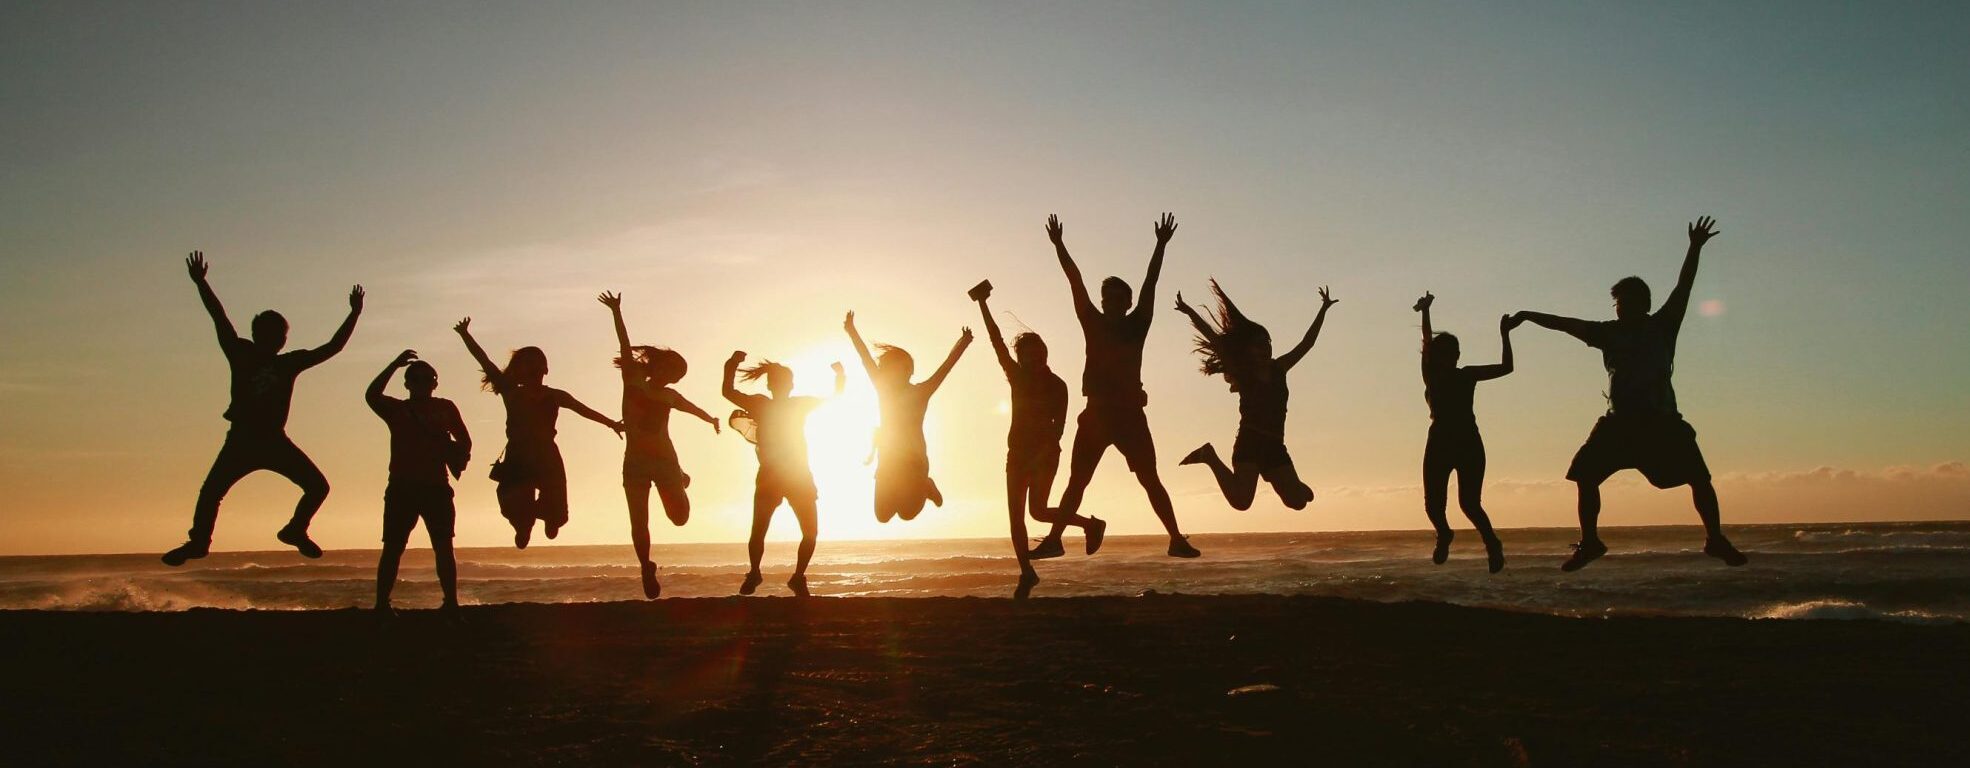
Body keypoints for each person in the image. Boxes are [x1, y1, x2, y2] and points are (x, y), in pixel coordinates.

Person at [1512, 215, 1749, 571]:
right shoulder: (1607, 332)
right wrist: (1529, 315)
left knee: (1699, 478)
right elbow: (1565, 324)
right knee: (1585, 475)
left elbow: (1684, 286)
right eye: (1617, 303)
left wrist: (1694, 247)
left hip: (1661, 422)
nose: (1618, 308)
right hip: (1619, 424)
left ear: (1641, 304)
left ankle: (1715, 539)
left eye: (1622, 302)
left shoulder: (1663, 325)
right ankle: (1591, 542)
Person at [163, 251, 363, 566]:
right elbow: (219, 317)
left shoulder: (289, 362)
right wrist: (201, 283)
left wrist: (354, 313)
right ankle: (199, 542)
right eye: (270, 335)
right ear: (257, 335)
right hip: (242, 439)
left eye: (280, 336)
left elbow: (333, 347)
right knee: (211, 492)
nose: (276, 341)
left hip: (273, 439)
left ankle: (295, 530)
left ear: (284, 339)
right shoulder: (241, 352)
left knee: (317, 486)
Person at [1036, 213, 1198, 559]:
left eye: (1115, 298)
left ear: (1126, 303)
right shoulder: (1092, 322)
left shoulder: (1137, 324)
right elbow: (1074, 282)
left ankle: (1176, 538)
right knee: (1076, 483)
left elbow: (1150, 286)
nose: (1108, 302)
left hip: (1129, 415)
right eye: (1105, 297)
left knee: (1150, 479)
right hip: (1095, 414)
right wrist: (1059, 245)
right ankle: (1054, 540)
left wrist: (1160, 245)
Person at [972, 282, 1105, 597]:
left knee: (1038, 511)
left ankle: (1090, 525)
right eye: (1026, 355)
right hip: (1016, 454)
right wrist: (982, 304)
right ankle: (1027, 573)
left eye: (1037, 353)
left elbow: (1059, 428)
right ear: (1021, 358)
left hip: (1045, 455)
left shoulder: (1058, 385)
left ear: (1045, 354)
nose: (1032, 359)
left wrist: (1044, 452)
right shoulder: (1016, 377)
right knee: (1019, 516)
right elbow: (996, 342)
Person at [454, 317, 623, 549]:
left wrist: (611, 423)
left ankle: (549, 518)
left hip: (546, 455)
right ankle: (523, 526)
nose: (533, 369)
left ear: (545, 369)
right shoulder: (512, 392)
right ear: (520, 371)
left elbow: (583, 410)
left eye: (537, 364)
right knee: (515, 506)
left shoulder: (554, 395)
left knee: (557, 512)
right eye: (528, 364)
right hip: (518, 455)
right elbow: (485, 361)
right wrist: (465, 335)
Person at [599, 292, 720, 599]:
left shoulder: (669, 397)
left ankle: (681, 479)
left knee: (680, 518)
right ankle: (645, 567)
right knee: (639, 521)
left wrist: (711, 420)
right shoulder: (632, 380)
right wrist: (616, 312)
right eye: (669, 370)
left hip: (666, 462)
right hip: (635, 463)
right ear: (658, 365)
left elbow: (691, 407)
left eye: (676, 375)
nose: (671, 377)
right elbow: (625, 347)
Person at [1173, 280, 1332, 512]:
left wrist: (1324, 309)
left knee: (1298, 503)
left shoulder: (1280, 368)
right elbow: (1216, 341)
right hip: (1250, 441)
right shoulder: (1243, 373)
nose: (1265, 348)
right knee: (1241, 502)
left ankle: (1288, 483)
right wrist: (1189, 312)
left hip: (1275, 444)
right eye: (1258, 345)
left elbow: (1307, 344)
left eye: (1267, 343)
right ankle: (1210, 456)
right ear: (1247, 349)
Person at [723, 351, 845, 596]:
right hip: (779, 475)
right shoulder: (768, 404)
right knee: (768, 530)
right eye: (779, 382)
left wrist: (732, 364)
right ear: (781, 385)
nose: (781, 385)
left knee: (803, 531)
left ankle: (793, 577)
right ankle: (761, 573)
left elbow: (835, 397)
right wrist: (840, 375)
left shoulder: (786, 404)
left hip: (794, 475)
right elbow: (836, 396)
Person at [1412, 292, 1511, 573]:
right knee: (1433, 505)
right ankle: (1444, 533)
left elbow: (1506, 368)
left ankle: (1492, 544)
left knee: (1469, 503)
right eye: (1442, 353)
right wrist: (1425, 312)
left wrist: (1504, 335)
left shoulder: (1466, 375)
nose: (1447, 357)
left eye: (1452, 353)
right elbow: (1427, 343)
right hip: (1440, 441)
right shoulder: (1430, 375)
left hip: (1468, 442)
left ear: (1457, 356)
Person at [365, 350, 471, 613]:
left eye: (428, 379)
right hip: (402, 486)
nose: (423, 383)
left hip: (436, 486)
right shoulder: (398, 410)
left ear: (435, 383)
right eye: (417, 379)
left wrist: (454, 452)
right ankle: (381, 605)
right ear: (408, 384)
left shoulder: (446, 408)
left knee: (443, 547)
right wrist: (393, 364)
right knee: (393, 548)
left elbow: (466, 440)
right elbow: (371, 395)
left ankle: (451, 604)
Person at [842, 310, 970, 523]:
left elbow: (945, 368)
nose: (886, 372)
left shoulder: (921, 392)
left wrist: (963, 342)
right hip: (888, 460)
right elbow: (865, 358)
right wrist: (851, 330)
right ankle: (921, 488)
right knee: (883, 516)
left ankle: (926, 485)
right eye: (884, 368)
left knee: (907, 513)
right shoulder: (883, 389)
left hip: (913, 461)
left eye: (892, 368)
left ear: (908, 370)